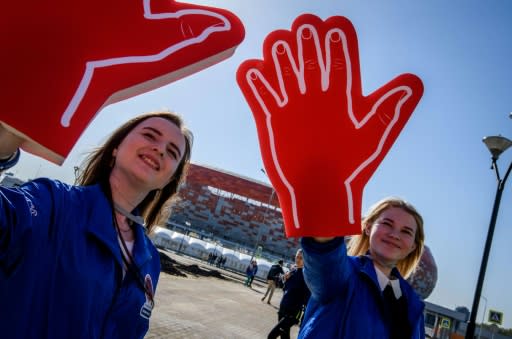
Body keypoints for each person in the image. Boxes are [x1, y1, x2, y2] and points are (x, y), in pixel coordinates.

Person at [0, 111, 193, 339]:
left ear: (169, 180)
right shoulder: (53, 203)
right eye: (150, 135)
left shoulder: (149, 260)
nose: (160, 149)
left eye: (172, 152)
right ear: (116, 148)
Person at [299, 197, 426, 339]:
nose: (395, 235)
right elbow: (325, 260)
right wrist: (324, 232)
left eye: (406, 231)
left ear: (413, 247)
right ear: (368, 228)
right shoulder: (344, 274)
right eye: (387, 223)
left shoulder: (414, 305)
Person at [268, 249, 310, 339]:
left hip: (292, 314)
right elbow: (283, 288)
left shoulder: (306, 276)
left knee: (271, 336)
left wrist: (304, 316)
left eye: (301, 258)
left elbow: (307, 297)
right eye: (296, 257)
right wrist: (284, 279)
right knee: (284, 336)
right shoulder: (292, 271)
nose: (297, 259)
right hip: (282, 309)